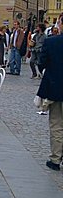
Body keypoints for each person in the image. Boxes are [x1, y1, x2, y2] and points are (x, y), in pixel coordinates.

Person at [37, 17, 63, 171]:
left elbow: (42, 63)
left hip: (57, 90)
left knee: (57, 125)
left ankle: (55, 159)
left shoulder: (52, 42)